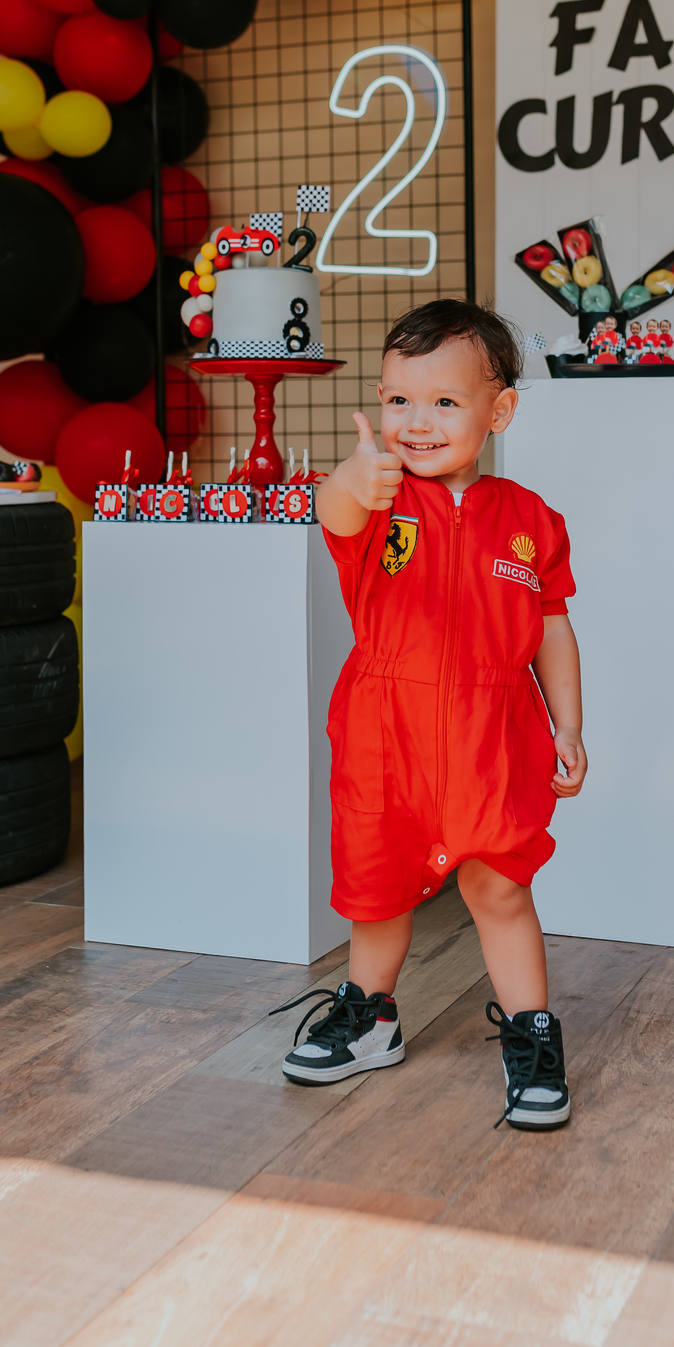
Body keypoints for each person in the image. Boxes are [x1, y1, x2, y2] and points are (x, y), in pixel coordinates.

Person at [272, 300, 587, 1129]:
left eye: (445, 402)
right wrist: (349, 479)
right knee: (376, 894)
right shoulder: (376, 501)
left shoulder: (531, 521)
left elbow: (552, 629)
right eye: (399, 400)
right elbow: (330, 513)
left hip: (496, 737)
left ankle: (532, 1035)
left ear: (499, 410)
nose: (417, 423)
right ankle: (370, 1014)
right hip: (386, 736)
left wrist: (571, 725)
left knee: (501, 887)